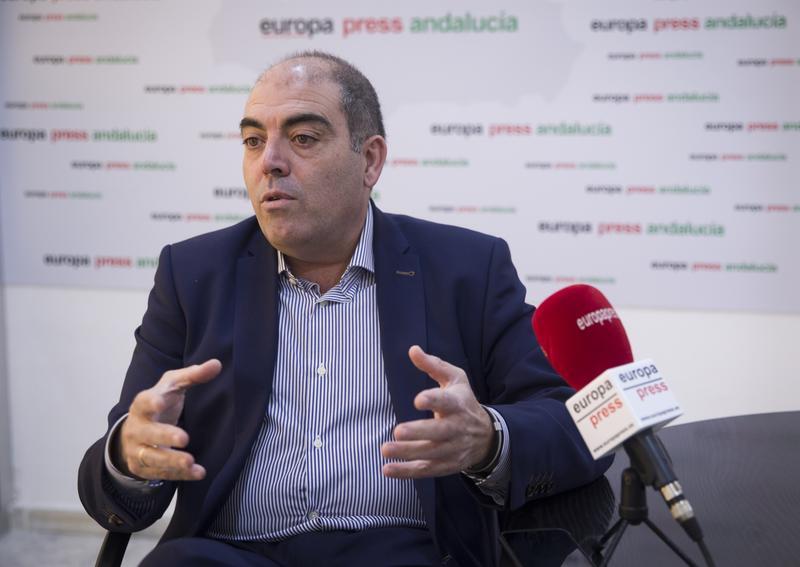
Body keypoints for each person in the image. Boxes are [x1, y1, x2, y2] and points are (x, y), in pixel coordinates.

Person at [78, 51, 611, 566]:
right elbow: (115, 484)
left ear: (370, 160)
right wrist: (130, 454)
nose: (270, 162)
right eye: (253, 141)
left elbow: (576, 423)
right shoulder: (193, 275)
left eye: (303, 139)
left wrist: (487, 439)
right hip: (230, 552)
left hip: (403, 550)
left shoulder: (466, 268)